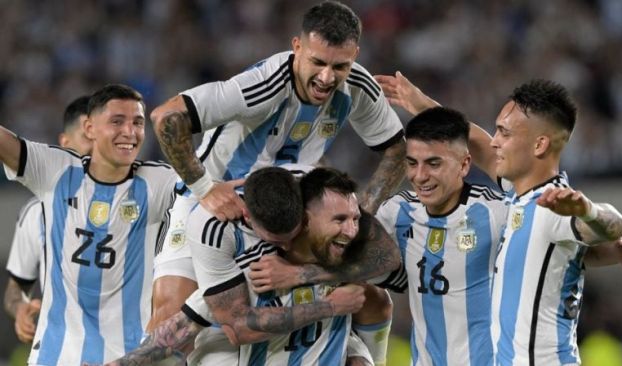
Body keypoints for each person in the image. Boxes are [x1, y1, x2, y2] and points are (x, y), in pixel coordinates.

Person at [149, 1, 405, 363]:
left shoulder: (358, 86)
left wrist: (359, 214)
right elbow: (166, 118)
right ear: (296, 47)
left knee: (371, 294)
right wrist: (205, 188)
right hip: (213, 209)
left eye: (340, 66)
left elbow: (397, 151)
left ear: (355, 56)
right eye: (317, 62)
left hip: (288, 212)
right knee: (170, 321)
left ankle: (359, 354)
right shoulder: (263, 86)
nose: (328, 78)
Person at [375, 74, 622, 365]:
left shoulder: (552, 204)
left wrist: (588, 211)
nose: (495, 143)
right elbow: (477, 145)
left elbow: (614, 224)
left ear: (539, 145)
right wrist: (424, 106)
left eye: (504, 133)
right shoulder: (519, 198)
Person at [103, 166, 403, 365]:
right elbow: (182, 328)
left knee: (379, 299)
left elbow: (389, 265)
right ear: (306, 220)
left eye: (355, 220)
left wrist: (361, 357)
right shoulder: (255, 271)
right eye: (339, 221)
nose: (351, 231)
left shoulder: (350, 260)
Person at [0, 84, 178, 365]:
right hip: (55, 356)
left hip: (127, 356)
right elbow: (5, 143)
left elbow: (213, 199)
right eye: (117, 121)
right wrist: (20, 307)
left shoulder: (160, 183)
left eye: (138, 123)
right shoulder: (55, 171)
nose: (130, 132)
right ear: (89, 128)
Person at [373, 107, 507, 365]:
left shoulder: (495, 213)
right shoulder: (398, 212)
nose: (420, 176)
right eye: (412, 163)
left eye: (433, 163)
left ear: (464, 164)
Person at [4, 95, 93, 344]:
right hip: (59, 350)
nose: (97, 147)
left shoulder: (143, 198)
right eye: (88, 137)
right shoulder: (35, 213)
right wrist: (20, 309)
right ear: (64, 143)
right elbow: (17, 287)